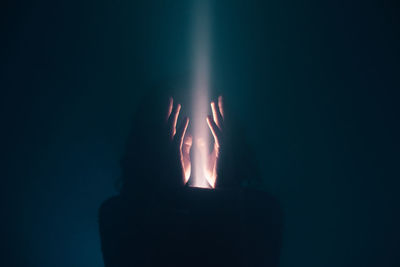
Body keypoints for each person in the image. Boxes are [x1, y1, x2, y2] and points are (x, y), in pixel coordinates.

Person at [98, 86, 283, 267]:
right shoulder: (117, 217)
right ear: (150, 138)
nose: (192, 141)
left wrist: (226, 192)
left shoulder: (263, 212)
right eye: (176, 124)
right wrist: (171, 195)